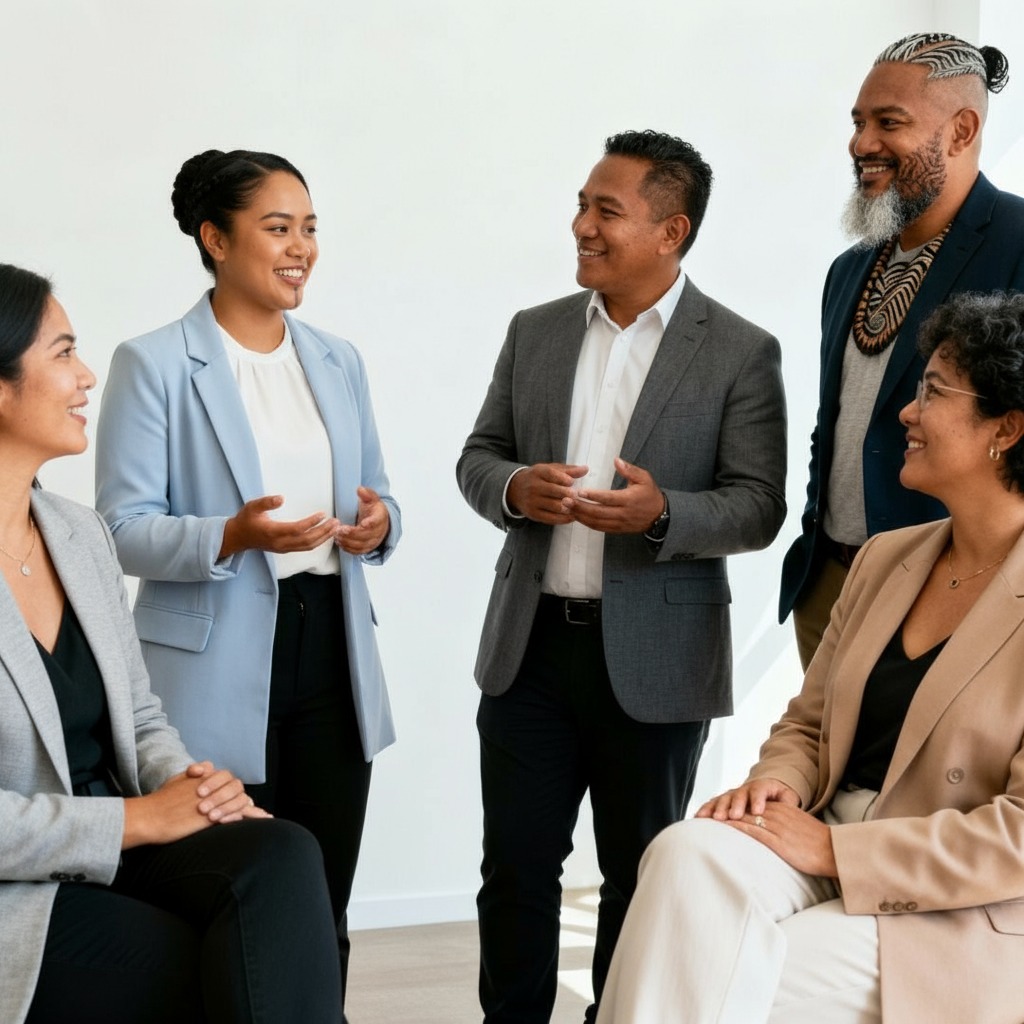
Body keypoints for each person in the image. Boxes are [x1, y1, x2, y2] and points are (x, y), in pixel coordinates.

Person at [599, 290, 1024, 1023]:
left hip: (955, 905)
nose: (906, 412)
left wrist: (839, 856)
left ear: (1006, 429)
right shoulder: (888, 558)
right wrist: (774, 790)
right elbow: (809, 722)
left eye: (932, 391)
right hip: (824, 832)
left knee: (728, 973)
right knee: (682, 853)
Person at [457, 129, 787, 1024]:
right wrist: (517, 488)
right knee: (515, 871)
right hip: (528, 654)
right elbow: (478, 457)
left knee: (640, 874)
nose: (581, 226)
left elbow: (759, 506)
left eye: (606, 210)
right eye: (582, 205)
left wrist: (666, 515)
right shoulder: (537, 331)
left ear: (670, 231)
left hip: (658, 664)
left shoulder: (741, 351)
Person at [94, 149, 401, 1017]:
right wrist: (231, 535)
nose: (300, 246)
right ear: (214, 238)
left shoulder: (338, 360)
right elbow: (118, 531)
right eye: (277, 228)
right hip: (214, 663)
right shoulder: (152, 363)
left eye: (309, 227)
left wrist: (380, 526)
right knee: (222, 901)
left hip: (332, 645)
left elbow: (381, 493)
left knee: (322, 901)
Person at [0, 263, 342, 1024]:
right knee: (217, 964)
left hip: (115, 850)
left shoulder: (76, 533)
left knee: (283, 852)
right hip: (19, 888)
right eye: (61, 353)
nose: (86, 374)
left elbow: (142, 716)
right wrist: (138, 820)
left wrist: (193, 787)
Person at [779, 32, 1024, 670]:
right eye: (859, 122)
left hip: (954, 596)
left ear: (962, 130)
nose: (863, 144)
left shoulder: (1019, 246)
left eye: (890, 122)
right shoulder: (848, 268)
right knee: (818, 767)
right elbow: (836, 424)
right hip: (829, 587)